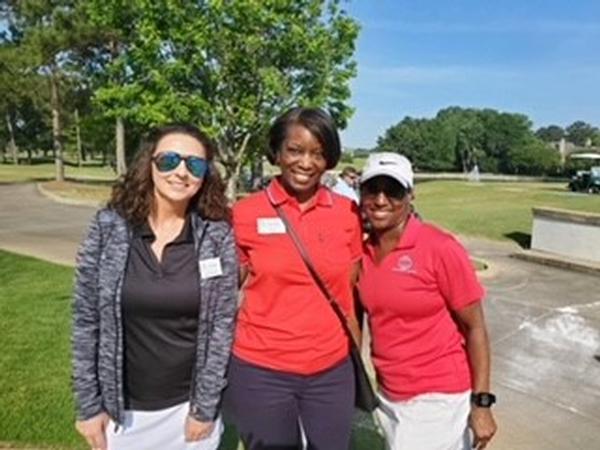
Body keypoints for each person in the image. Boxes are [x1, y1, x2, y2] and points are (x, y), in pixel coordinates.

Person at [72, 124, 238, 450]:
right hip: (121, 410)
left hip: (188, 411)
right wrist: (89, 405)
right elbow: (85, 319)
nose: (181, 171)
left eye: (194, 164)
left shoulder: (216, 236)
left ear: (205, 174)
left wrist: (204, 409)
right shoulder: (109, 226)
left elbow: (221, 327)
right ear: (149, 164)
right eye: (169, 160)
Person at [224, 107, 363, 450]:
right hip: (261, 370)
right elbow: (224, 294)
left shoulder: (348, 213)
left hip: (331, 371)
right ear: (277, 152)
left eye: (318, 153)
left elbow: (352, 290)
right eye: (295, 150)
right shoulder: (245, 213)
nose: (306, 162)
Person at [357, 152, 497, 450]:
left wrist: (482, 403)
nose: (381, 200)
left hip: (438, 395)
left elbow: (476, 329)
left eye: (392, 190)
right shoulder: (363, 252)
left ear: (410, 195)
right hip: (390, 394)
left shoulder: (439, 247)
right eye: (372, 189)